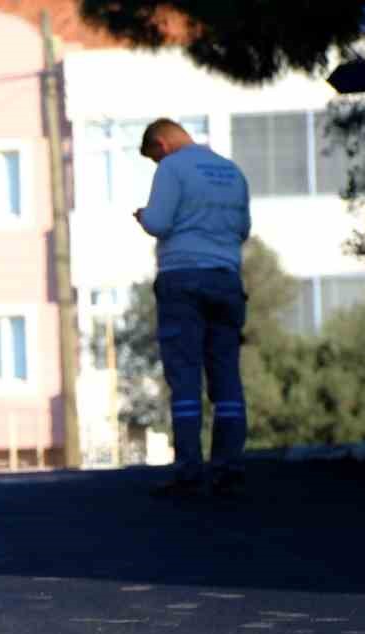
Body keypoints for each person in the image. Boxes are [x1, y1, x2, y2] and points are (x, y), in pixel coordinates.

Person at [135, 118, 252, 497]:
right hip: (227, 278)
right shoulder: (231, 170)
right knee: (227, 377)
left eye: (153, 157)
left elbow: (157, 222)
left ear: (162, 145)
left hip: (182, 279)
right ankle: (229, 467)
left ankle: (189, 469)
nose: (157, 164)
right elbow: (243, 229)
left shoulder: (173, 166)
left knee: (185, 376)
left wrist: (142, 216)